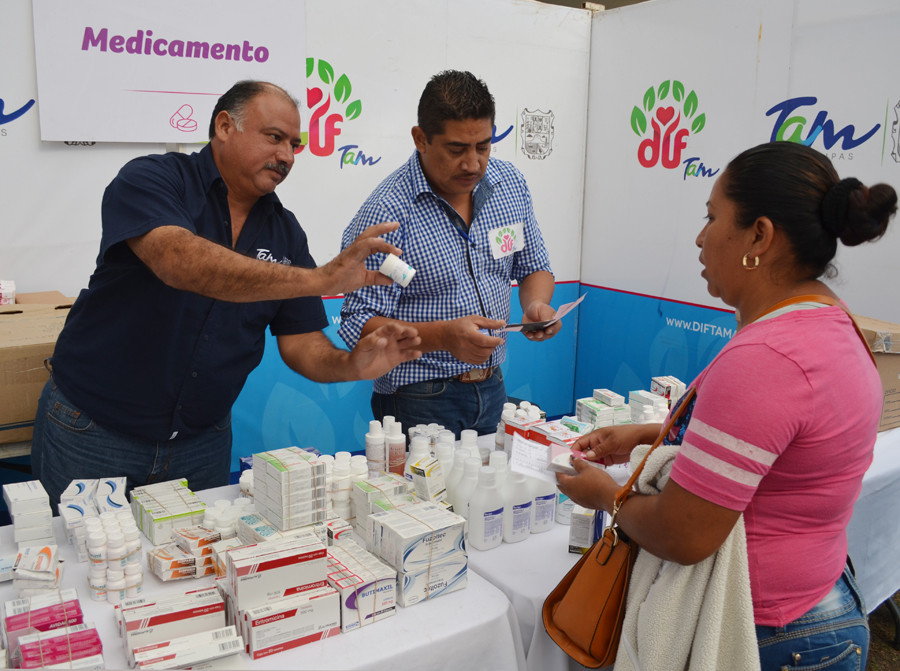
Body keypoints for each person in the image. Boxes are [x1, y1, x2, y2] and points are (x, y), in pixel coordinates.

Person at [557, 141, 897, 669]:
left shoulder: (768, 356)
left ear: (759, 235)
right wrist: (651, 433)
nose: (699, 237)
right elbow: (781, 452)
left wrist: (607, 496)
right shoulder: (829, 323)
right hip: (818, 603)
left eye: (712, 217)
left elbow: (683, 533)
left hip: (763, 630)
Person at [31, 80, 422, 505]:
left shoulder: (285, 231)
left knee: (194, 569)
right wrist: (321, 279)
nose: (287, 156)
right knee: (84, 562)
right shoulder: (153, 179)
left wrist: (352, 365)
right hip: (94, 433)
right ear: (223, 126)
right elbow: (179, 260)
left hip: (201, 445)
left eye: (295, 144)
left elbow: (302, 342)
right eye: (274, 138)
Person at [338, 70, 557, 436]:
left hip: (493, 386)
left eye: (483, 147)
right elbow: (360, 324)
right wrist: (443, 336)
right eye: (456, 150)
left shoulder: (509, 186)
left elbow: (534, 265)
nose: (472, 164)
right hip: (419, 397)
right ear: (421, 139)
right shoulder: (387, 215)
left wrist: (536, 305)